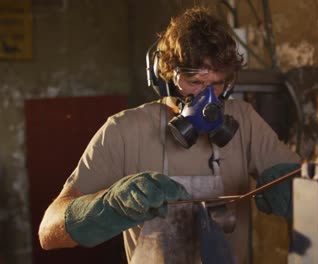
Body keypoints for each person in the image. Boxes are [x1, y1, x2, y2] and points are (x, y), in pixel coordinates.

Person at [38, 6, 301, 264]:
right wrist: (109, 205)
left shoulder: (244, 120)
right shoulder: (124, 130)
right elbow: (48, 233)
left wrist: (295, 192)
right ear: (166, 77)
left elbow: (303, 188)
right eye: (195, 82)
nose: (207, 97)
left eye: (217, 84)